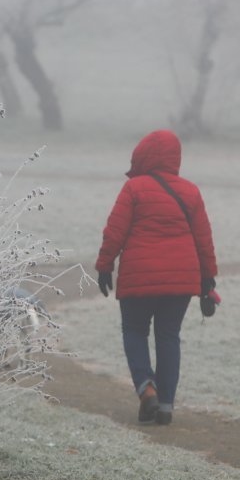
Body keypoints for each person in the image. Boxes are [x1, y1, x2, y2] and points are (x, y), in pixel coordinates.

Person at [95, 129, 217, 425]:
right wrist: (208, 280)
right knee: (168, 336)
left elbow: (116, 230)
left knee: (135, 331)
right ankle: (165, 407)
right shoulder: (190, 191)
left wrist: (105, 265)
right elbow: (204, 239)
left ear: (142, 155)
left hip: (140, 276)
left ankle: (146, 389)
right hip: (180, 281)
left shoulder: (134, 188)